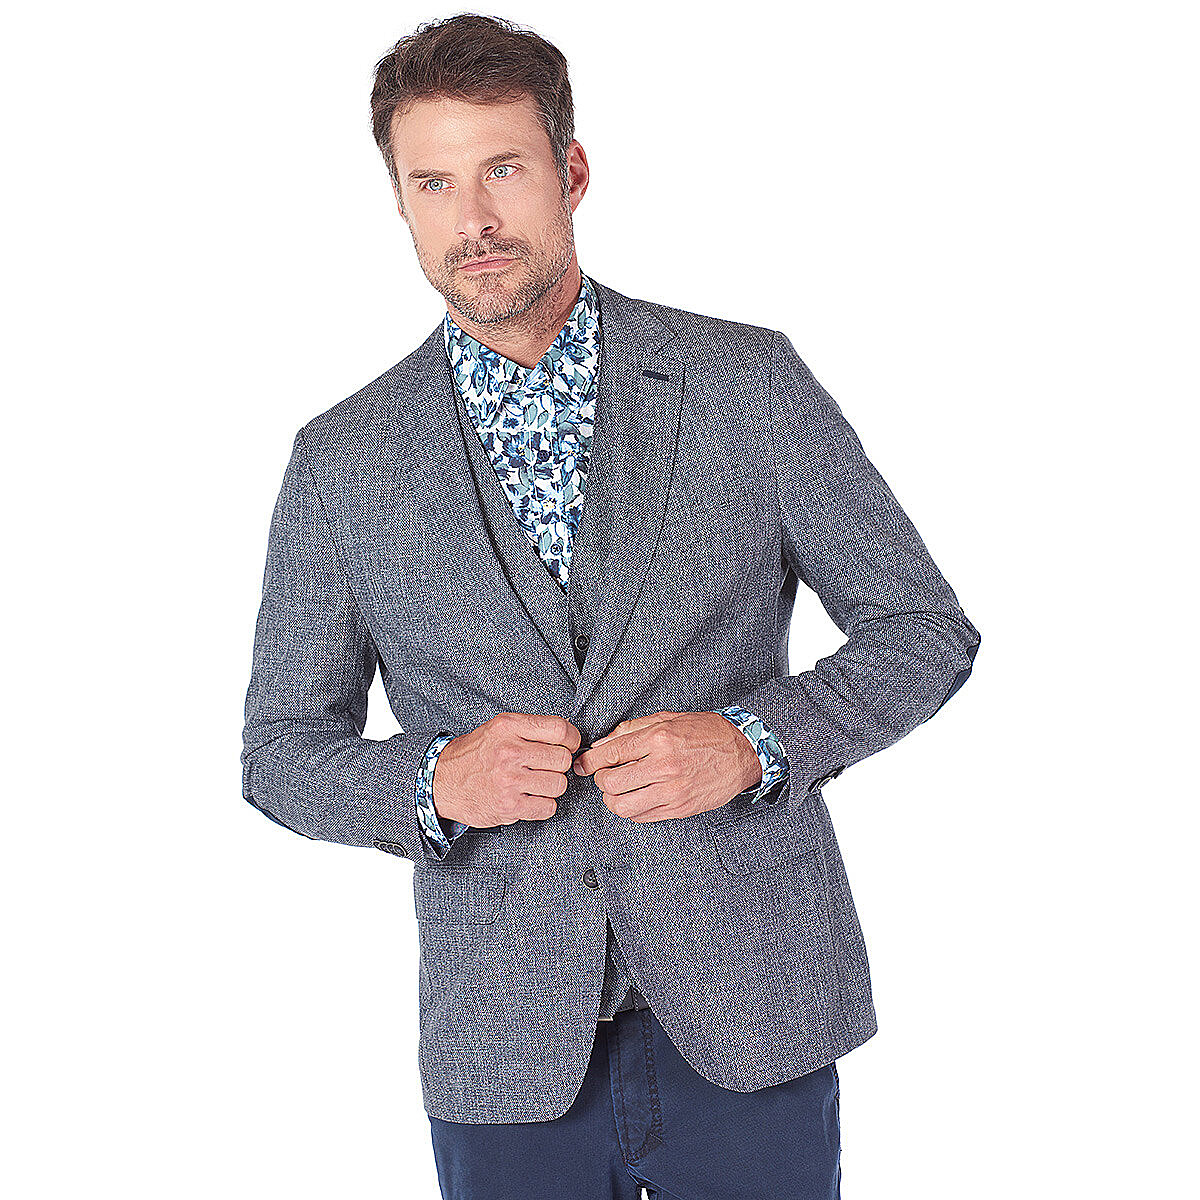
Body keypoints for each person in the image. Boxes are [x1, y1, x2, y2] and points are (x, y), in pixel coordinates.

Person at [241, 13, 981, 1199]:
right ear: (400, 203)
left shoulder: (744, 383)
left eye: (503, 169)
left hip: (754, 1013)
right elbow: (280, 752)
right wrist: (433, 782)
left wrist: (752, 742)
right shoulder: (341, 460)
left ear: (572, 171)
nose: (473, 219)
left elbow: (922, 631)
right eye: (434, 183)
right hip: (505, 1041)